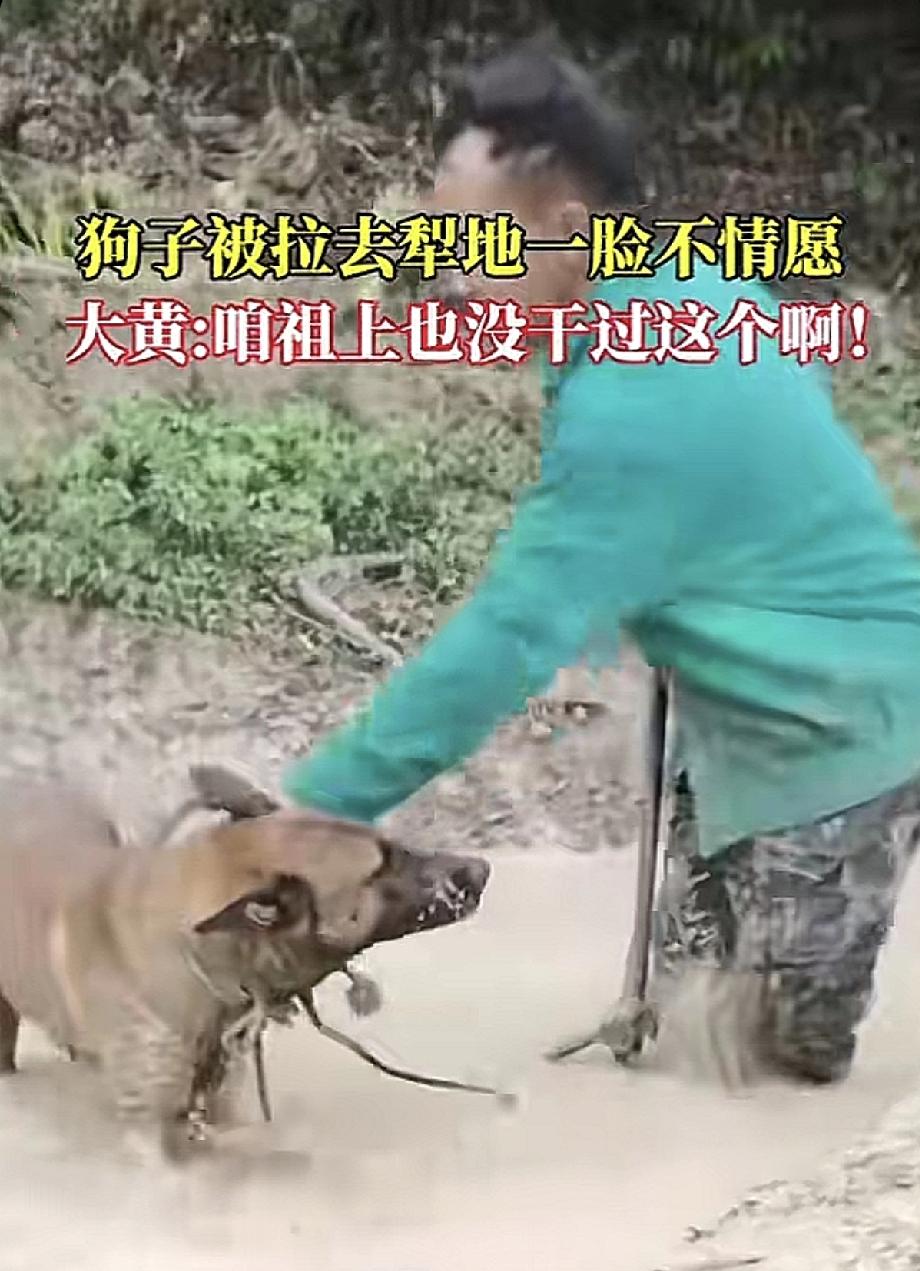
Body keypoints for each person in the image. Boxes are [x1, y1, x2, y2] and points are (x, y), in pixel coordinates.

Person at [282, 42, 920, 1086]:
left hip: (842, 739)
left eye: (470, 244)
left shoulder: (636, 398)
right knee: (681, 1022)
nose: (449, 276)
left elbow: (506, 640)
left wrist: (324, 796)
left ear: (567, 228)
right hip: (735, 722)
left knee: (769, 1069)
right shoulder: (698, 292)